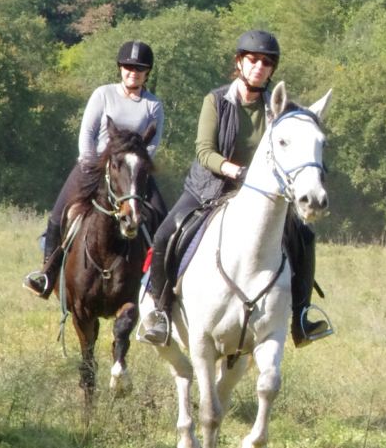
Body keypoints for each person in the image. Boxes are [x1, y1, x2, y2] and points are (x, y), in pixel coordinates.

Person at [136, 29, 331, 348]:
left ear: (272, 70)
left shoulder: (279, 109)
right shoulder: (216, 100)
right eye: (253, 59)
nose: (259, 66)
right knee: (164, 234)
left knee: (304, 237)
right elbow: (204, 151)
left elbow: (299, 140)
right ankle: (159, 312)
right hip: (209, 188)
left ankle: (301, 317)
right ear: (239, 62)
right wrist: (234, 170)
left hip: (261, 197)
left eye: (267, 63)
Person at [24, 40, 166, 298]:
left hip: (132, 172)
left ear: (147, 72)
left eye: (138, 68)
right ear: (120, 68)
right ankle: (47, 273)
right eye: (127, 67)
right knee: (59, 213)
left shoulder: (152, 105)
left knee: (162, 217)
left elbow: (153, 144)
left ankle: (159, 284)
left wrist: (136, 167)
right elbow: (87, 133)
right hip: (94, 166)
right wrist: (91, 163)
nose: (132, 72)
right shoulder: (104, 94)